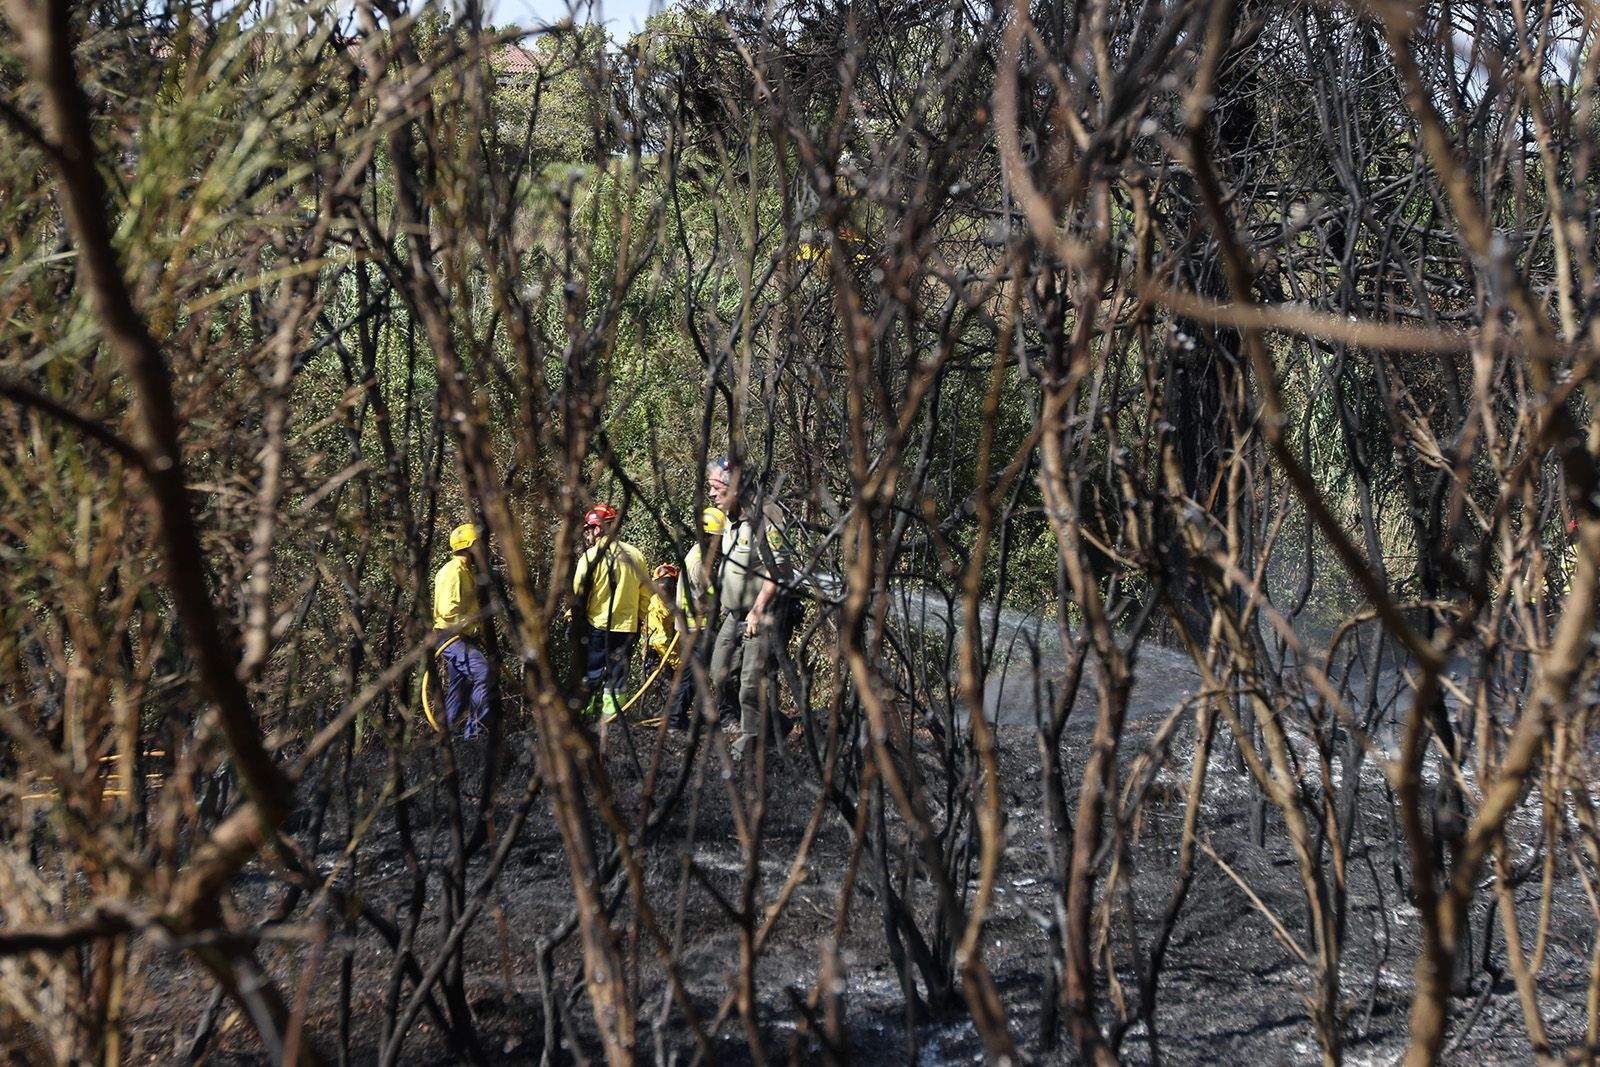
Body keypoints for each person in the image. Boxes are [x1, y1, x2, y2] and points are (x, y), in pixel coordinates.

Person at [704, 458, 792, 758]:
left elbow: (779, 571)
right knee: (719, 671)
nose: (711, 494)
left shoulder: (766, 515)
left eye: (716, 487)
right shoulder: (729, 518)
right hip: (734, 613)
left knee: (751, 682)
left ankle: (751, 742)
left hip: (762, 612)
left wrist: (758, 609)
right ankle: (775, 724)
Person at [572, 504, 650, 737]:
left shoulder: (590, 557)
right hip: (627, 628)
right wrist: (639, 618)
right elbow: (646, 594)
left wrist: (574, 621)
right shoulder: (635, 555)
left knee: (590, 674)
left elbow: (579, 594)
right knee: (617, 677)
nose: (588, 534)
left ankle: (582, 720)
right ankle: (612, 722)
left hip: (597, 626)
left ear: (598, 529)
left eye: (590, 529)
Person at [433, 522, 491, 740]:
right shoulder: (454, 571)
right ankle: (474, 735)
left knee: (460, 687)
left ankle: (443, 738)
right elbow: (448, 612)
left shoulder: (465, 572)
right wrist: (472, 625)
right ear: (469, 546)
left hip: (462, 637)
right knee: (483, 672)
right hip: (452, 637)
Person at [642, 563, 689, 728]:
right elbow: (659, 641)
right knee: (672, 689)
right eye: (662, 583)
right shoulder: (655, 607)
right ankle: (671, 722)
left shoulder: (675, 604)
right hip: (657, 656)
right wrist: (677, 663)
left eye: (670, 584)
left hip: (671, 655)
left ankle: (672, 717)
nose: (666, 588)